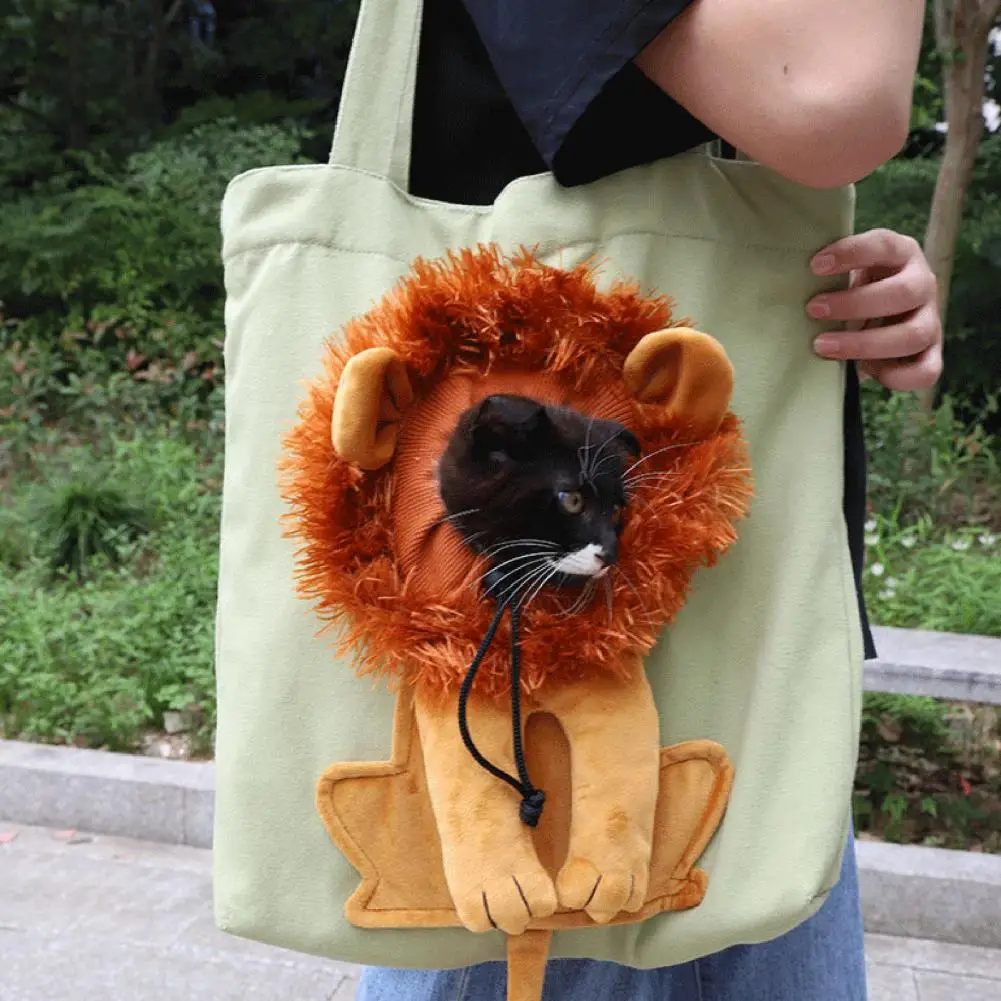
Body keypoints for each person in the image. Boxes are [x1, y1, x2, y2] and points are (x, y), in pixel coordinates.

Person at [356, 1, 943, 998]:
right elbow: (831, 95)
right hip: (519, 716)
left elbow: (776, 121)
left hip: (762, 670)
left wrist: (839, 284)